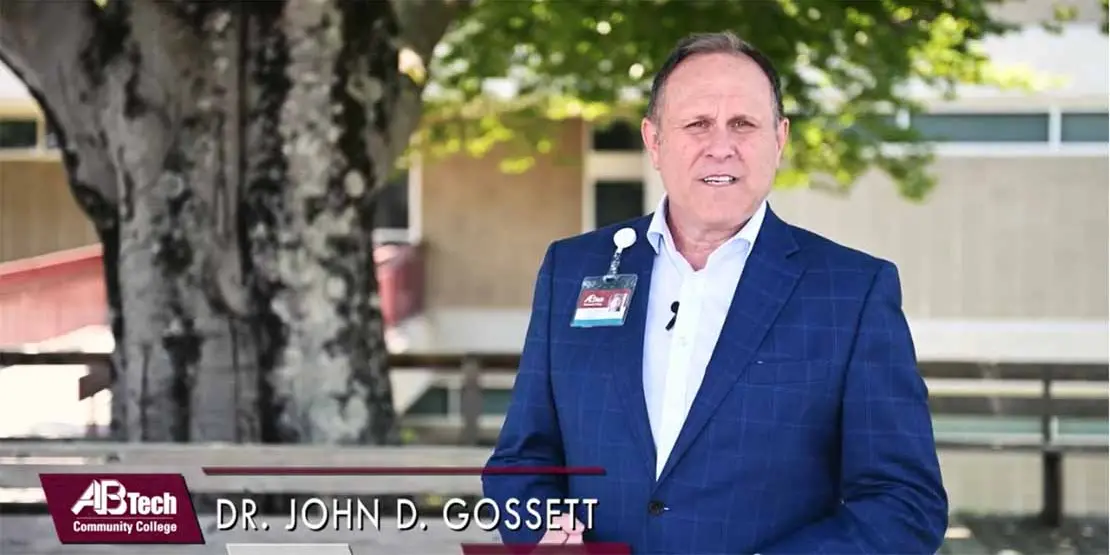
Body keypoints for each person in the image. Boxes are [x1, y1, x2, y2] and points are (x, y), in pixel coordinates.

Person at [482, 31, 948, 554]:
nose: (721, 146)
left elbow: (904, 503)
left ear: (780, 139)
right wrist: (544, 534)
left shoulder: (852, 292)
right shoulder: (572, 270)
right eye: (697, 124)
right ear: (654, 141)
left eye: (743, 124)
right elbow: (522, 460)